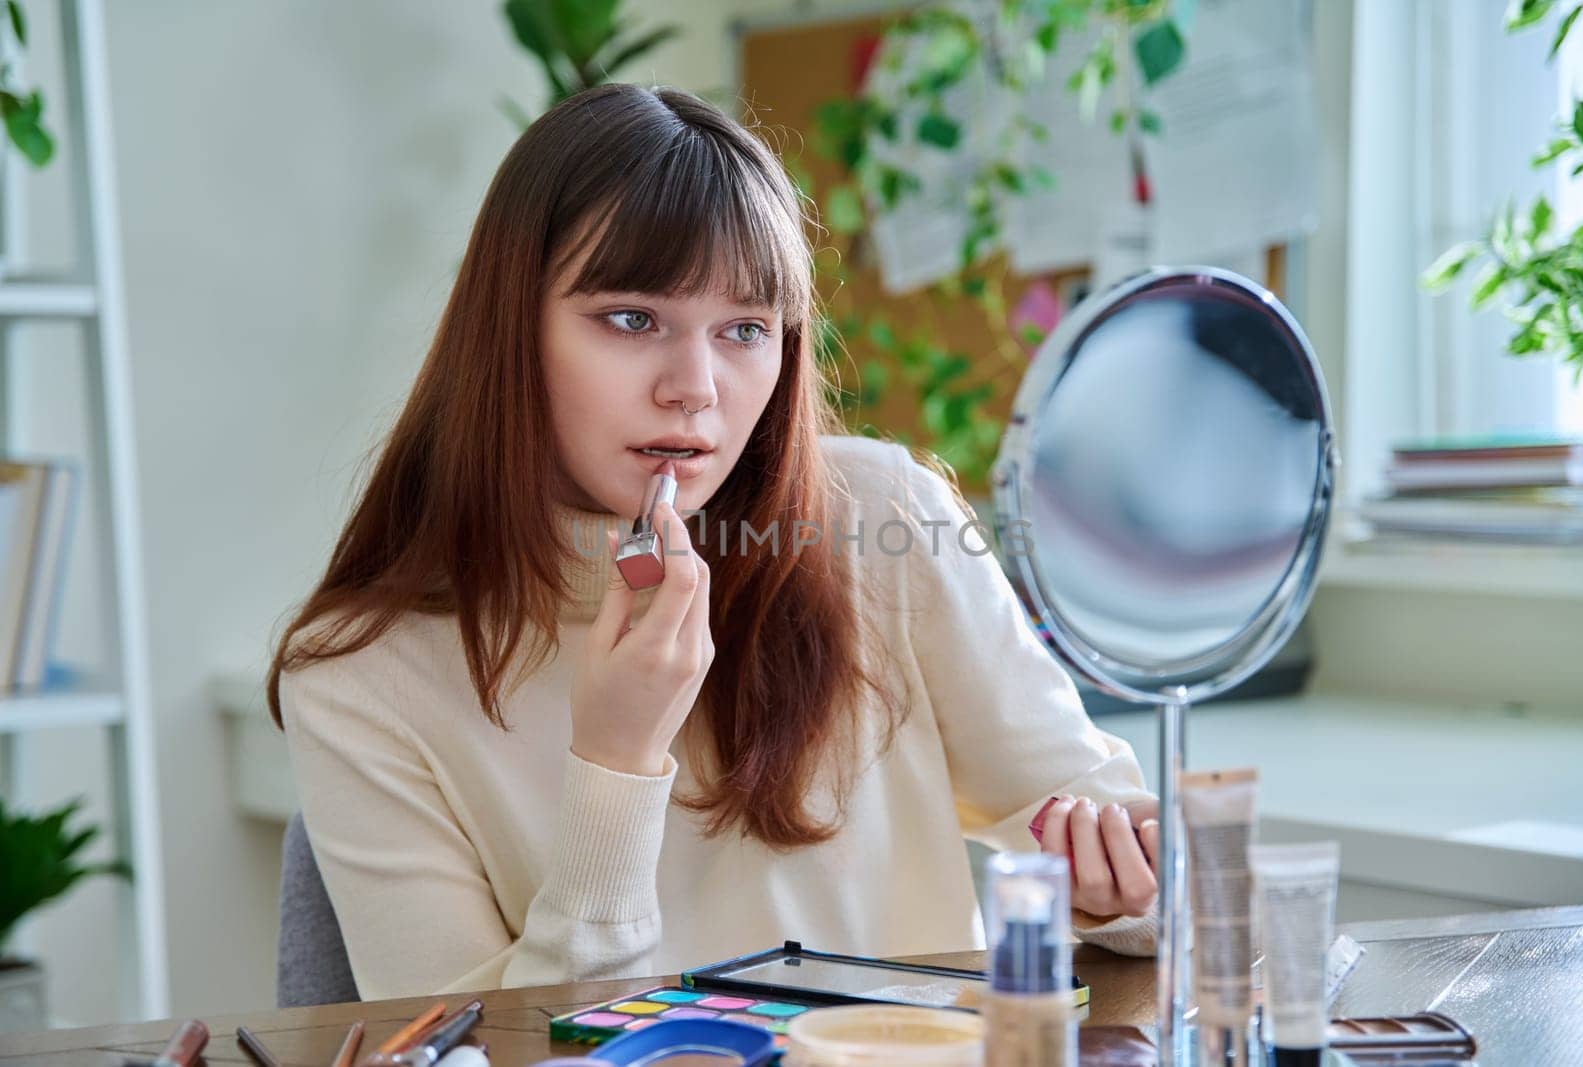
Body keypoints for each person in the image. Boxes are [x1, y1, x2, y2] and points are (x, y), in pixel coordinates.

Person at [268, 83, 1161, 1001]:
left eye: (744, 329)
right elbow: (466, 1052)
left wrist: (1126, 885)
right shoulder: (358, 677)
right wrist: (614, 760)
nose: (694, 388)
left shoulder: (888, 520)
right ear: (510, 328)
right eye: (632, 319)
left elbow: (1121, 855)